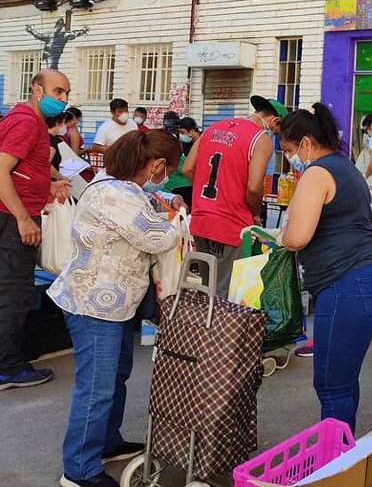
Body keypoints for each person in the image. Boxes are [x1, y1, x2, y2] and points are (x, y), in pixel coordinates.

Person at [49, 130, 183, 487]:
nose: (166, 177)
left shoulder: (118, 184)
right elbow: (159, 236)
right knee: (97, 387)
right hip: (95, 306)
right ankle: (79, 470)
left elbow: (147, 202)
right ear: (155, 165)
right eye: (168, 170)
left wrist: (168, 199)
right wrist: (176, 220)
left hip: (114, 304)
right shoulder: (116, 194)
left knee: (115, 375)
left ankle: (106, 442)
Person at [278, 103, 372, 433]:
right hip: (369, 275)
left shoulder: (317, 172)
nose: (291, 158)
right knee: (343, 379)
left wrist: (281, 237)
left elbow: (298, 236)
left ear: (305, 143)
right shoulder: (345, 168)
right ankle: (344, 454)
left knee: (331, 385)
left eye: (289, 150)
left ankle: (334, 470)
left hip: (349, 283)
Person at [0, 69, 71, 391]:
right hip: (13, 221)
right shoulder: (27, 122)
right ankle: (9, 367)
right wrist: (23, 218)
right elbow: (1, 172)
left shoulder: (24, 119)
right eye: (58, 92)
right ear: (37, 90)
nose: (64, 100)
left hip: (15, 214)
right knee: (15, 293)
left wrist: (49, 188)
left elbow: (20, 175)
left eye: (67, 93)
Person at [183, 95, 286, 296]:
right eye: (277, 130)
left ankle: (205, 327)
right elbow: (254, 187)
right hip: (231, 223)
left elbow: (187, 168)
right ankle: (222, 328)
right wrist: (256, 214)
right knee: (228, 293)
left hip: (201, 219)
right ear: (275, 121)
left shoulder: (213, 128)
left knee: (207, 288)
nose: (274, 134)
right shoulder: (261, 138)